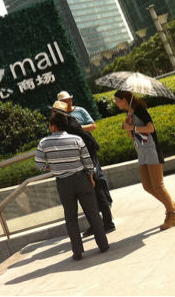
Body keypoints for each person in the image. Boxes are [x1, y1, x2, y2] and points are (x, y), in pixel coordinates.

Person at [35, 112, 109, 261]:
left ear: (53, 126)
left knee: (70, 217)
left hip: (63, 182)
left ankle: (77, 251)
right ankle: (103, 244)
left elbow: (39, 164)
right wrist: (91, 178)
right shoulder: (76, 139)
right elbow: (87, 161)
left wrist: (53, 167)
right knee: (93, 213)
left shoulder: (44, 143)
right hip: (82, 179)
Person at [114, 90, 175, 230]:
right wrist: (128, 128)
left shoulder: (140, 110)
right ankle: (171, 205)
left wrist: (132, 127)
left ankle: (172, 215)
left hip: (151, 150)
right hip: (141, 152)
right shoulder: (129, 114)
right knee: (147, 186)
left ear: (124, 100)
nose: (116, 103)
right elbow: (133, 137)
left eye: (117, 100)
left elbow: (150, 128)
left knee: (158, 186)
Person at [49, 101, 115, 236]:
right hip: (82, 160)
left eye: (53, 111)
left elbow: (87, 141)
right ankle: (96, 224)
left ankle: (108, 223)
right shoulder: (67, 124)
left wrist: (88, 163)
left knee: (97, 191)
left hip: (87, 159)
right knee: (88, 195)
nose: (51, 114)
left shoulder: (71, 126)